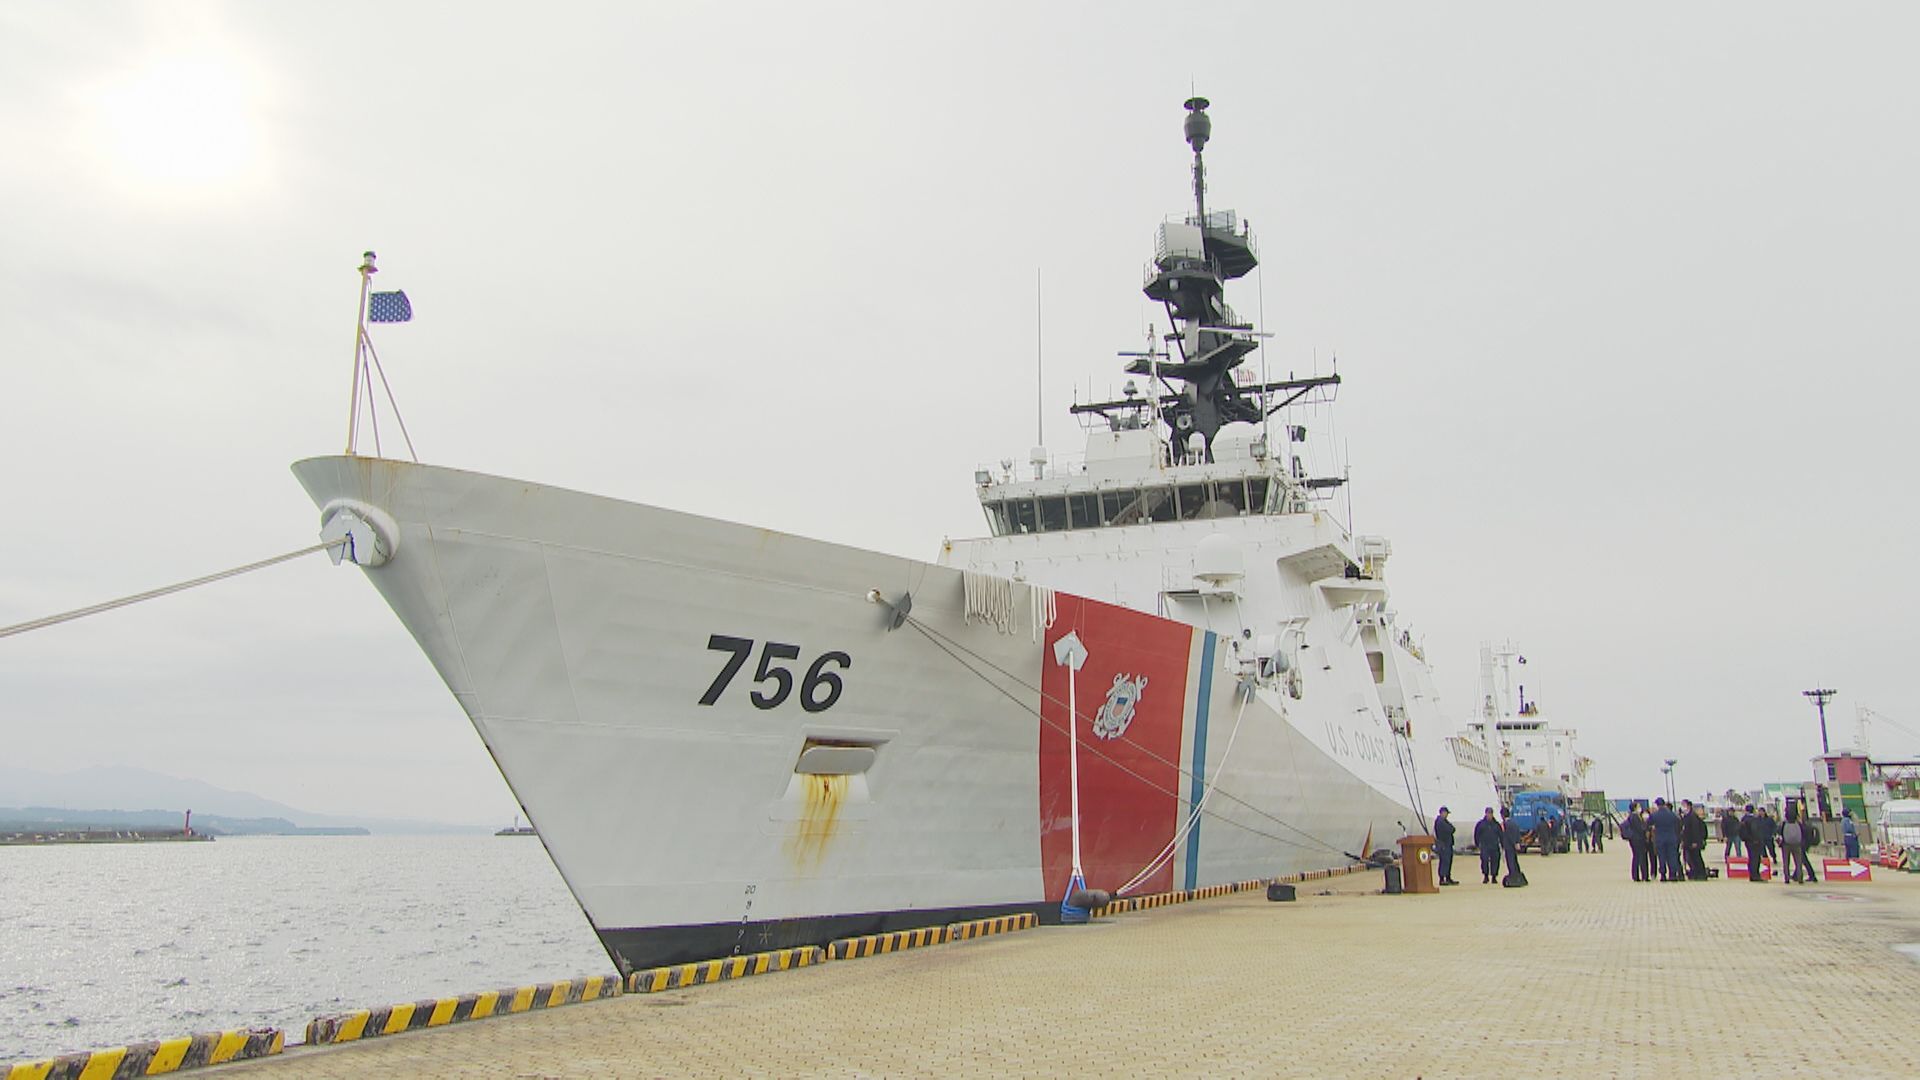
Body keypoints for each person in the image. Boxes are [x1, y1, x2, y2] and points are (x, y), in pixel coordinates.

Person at [1649, 798, 1682, 882]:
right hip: (1671, 838)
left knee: (1662, 857)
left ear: (1657, 805)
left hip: (1660, 839)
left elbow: (1648, 824)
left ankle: (1663, 875)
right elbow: (1679, 824)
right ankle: (1673, 875)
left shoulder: (1654, 815)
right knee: (1672, 856)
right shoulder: (1672, 814)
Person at [1681, 800, 1709, 880]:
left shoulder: (1692, 816)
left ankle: (1701, 874)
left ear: (1689, 806)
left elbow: (1695, 830)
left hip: (1693, 842)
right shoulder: (1686, 816)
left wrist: (1695, 842)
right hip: (1688, 842)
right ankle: (1695, 873)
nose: (1683, 807)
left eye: (1684, 805)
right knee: (1691, 859)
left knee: (1696, 858)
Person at [1474, 807, 1503, 884]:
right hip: (1485, 846)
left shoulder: (1496, 824)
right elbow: (1476, 834)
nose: (1489, 815)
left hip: (1494, 846)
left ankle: (1494, 876)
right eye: (1488, 813)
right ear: (1486, 814)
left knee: (1495, 861)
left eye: (1491, 813)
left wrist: (1502, 844)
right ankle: (1485, 876)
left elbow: (1501, 835)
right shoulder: (1480, 824)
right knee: (1484, 861)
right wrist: (1477, 844)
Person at [1500, 807, 1527, 887]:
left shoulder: (1505, 824)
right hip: (1513, 846)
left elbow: (1508, 836)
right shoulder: (1514, 823)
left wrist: (1513, 843)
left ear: (1502, 815)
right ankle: (1517, 876)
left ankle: (1513, 877)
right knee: (1515, 861)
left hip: (1509, 846)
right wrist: (1517, 842)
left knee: (1510, 862)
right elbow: (1517, 833)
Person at [1433, 806, 1459, 886]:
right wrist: (1451, 828)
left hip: (1447, 844)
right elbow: (1450, 829)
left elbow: (1452, 828)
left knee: (1448, 861)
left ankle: (1447, 877)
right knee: (1444, 861)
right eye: (1446, 813)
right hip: (1444, 844)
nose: (1447, 815)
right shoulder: (1440, 822)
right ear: (1442, 813)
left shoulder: (1444, 821)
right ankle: (1442, 878)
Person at [1624, 803, 1650, 882]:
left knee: (1636, 857)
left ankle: (1636, 875)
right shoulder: (1635, 817)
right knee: (1641, 857)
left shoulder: (1631, 816)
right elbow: (1640, 828)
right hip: (1638, 839)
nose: (1640, 808)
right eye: (1638, 806)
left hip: (1634, 839)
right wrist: (1645, 825)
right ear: (1635, 808)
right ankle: (1643, 875)